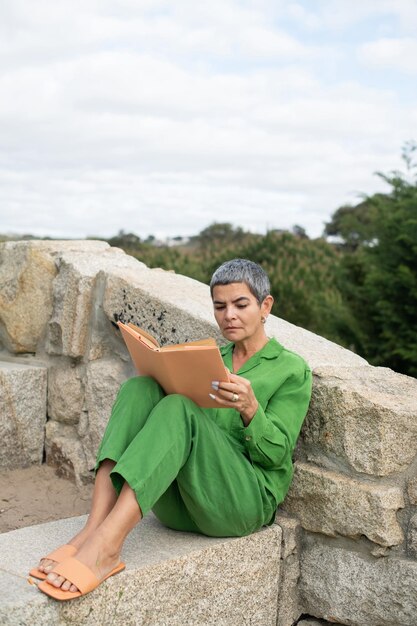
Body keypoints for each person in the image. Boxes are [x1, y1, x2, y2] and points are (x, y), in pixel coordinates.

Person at [31, 258, 312, 601]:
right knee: (140, 388)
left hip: (238, 504)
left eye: (241, 305)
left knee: (179, 408)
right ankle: (92, 529)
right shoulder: (211, 356)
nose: (229, 316)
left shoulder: (291, 370)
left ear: (265, 305)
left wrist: (251, 409)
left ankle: (106, 548)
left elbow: (277, 455)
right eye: (220, 306)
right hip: (181, 503)